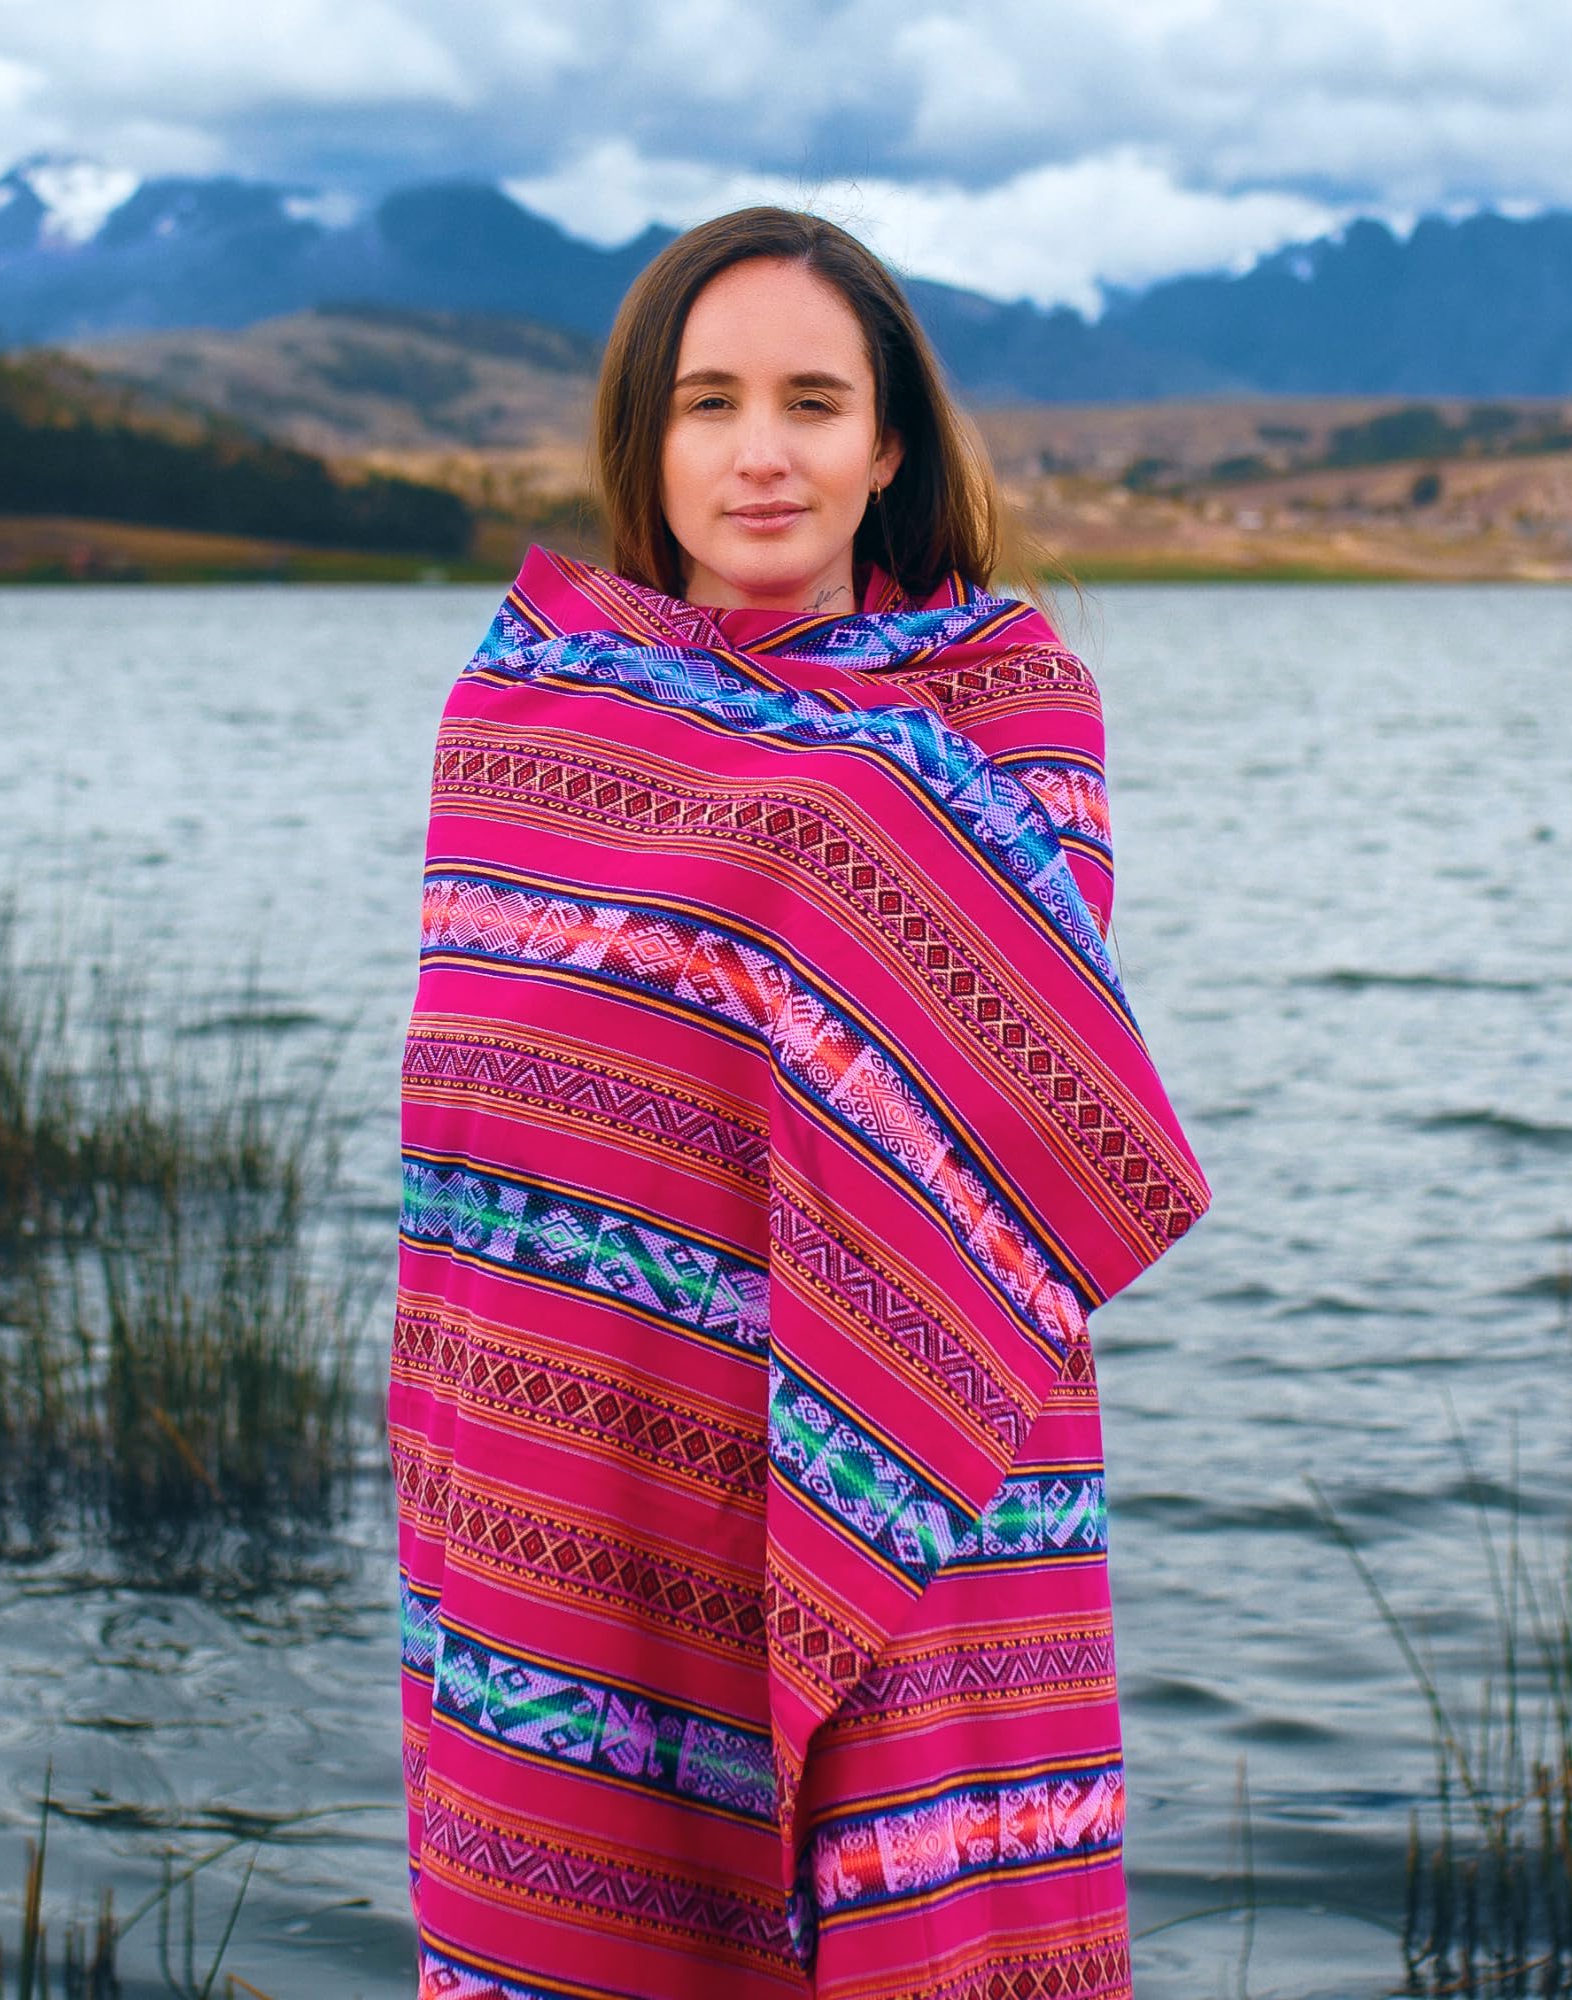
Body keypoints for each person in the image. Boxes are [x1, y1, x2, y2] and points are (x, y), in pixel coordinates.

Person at [391, 206, 1210, 2000]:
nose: (761, 454)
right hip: (588, 1453)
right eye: (710, 404)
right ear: (648, 440)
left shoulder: (1009, 719)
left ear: (887, 439)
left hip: (920, 1447)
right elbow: (482, 1159)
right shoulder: (520, 721)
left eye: (813, 402)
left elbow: (1031, 1128)